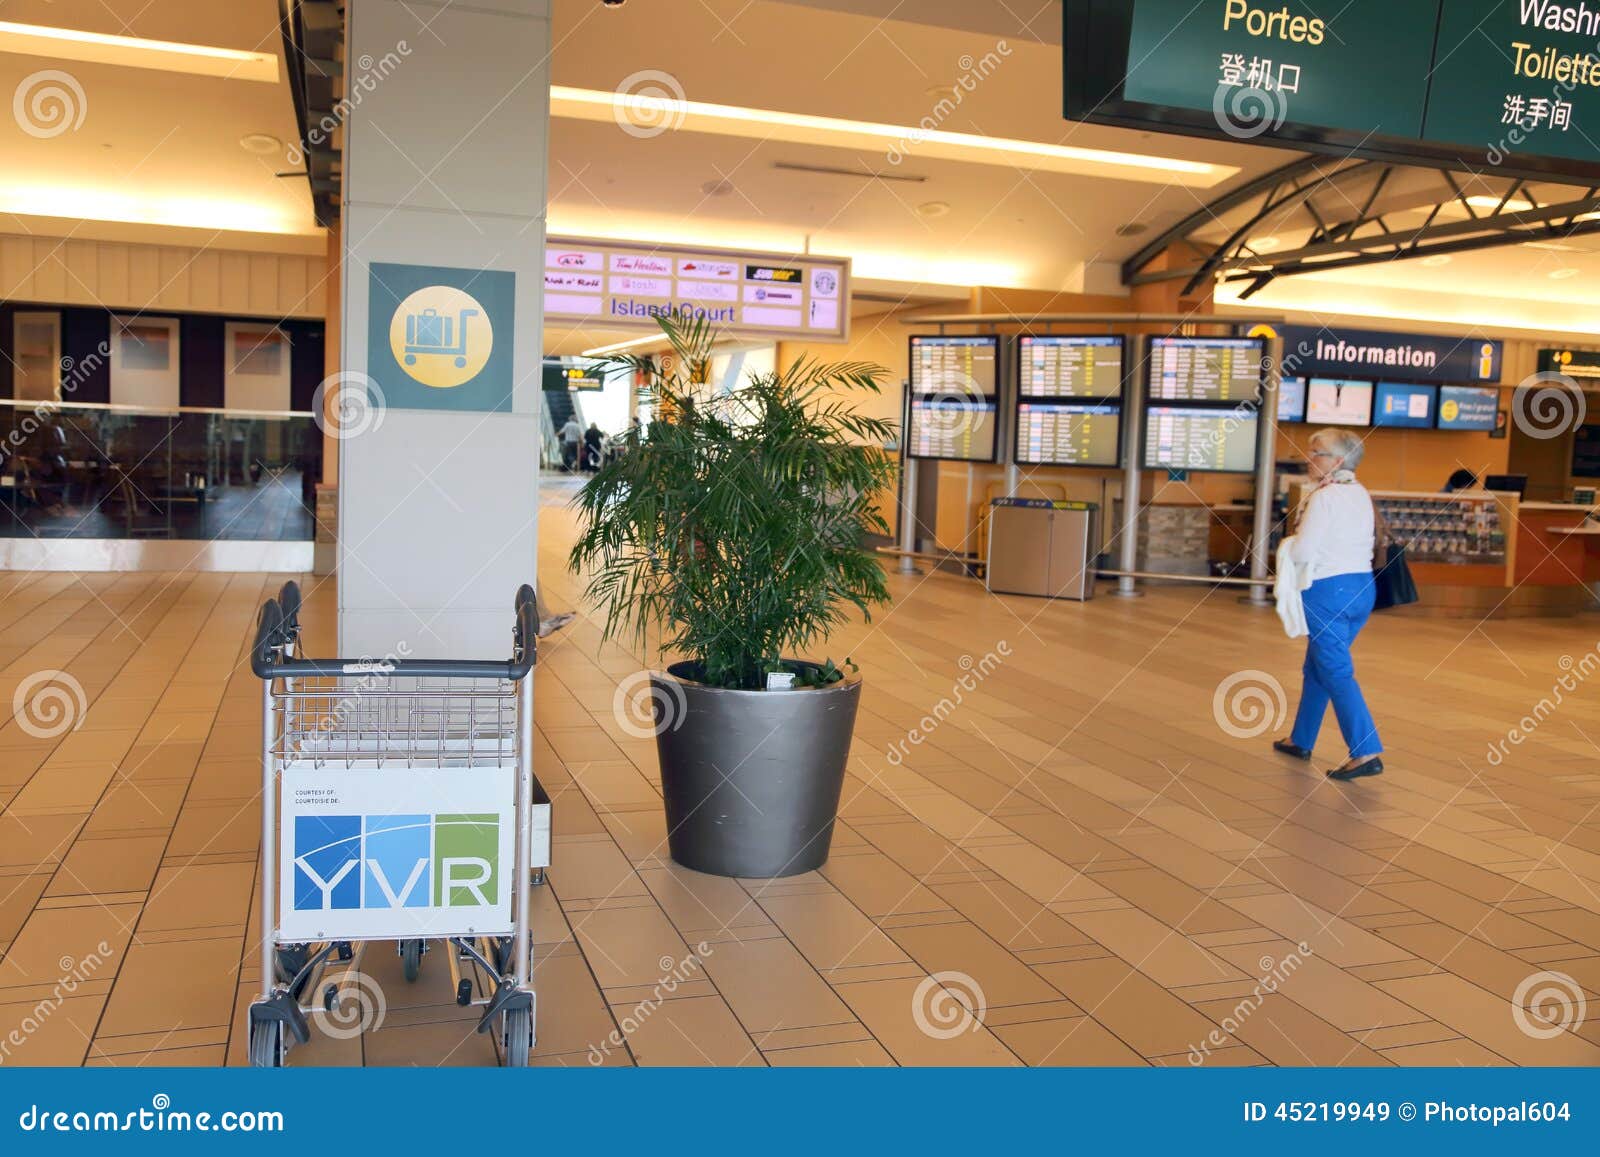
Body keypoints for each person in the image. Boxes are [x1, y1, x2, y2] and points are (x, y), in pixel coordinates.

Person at [1273, 428, 1384, 781]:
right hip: (1361, 589)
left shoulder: (1324, 497)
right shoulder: (1360, 492)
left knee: (1336, 671)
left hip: (1327, 592)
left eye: (1317, 453)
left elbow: (1304, 551)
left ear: (1338, 461)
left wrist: (1287, 545)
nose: (1309, 458)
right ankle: (1301, 739)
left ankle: (1365, 750)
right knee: (1318, 665)